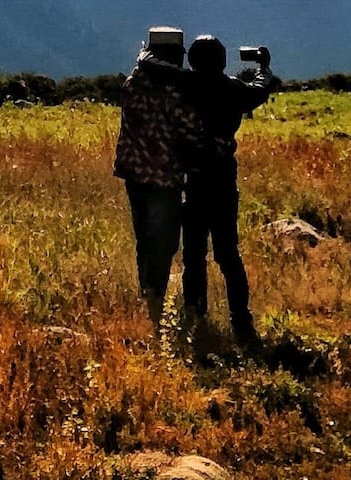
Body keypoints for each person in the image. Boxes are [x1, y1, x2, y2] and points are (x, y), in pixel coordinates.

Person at [177, 36, 277, 351]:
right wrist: (263, 65)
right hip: (222, 180)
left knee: (194, 256)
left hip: (192, 181)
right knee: (228, 254)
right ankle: (241, 321)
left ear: (192, 61)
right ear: (222, 61)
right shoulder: (234, 90)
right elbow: (262, 87)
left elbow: (152, 71)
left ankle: (195, 315)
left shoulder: (184, 86)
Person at [115, 27, 201, 323]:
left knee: (144, 240)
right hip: (165, 178)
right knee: (163, 244)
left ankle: (147, 295)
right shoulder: (177, 92)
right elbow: (191, 131)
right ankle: (157, 299)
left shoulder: (132, 84)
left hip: (134, 174)